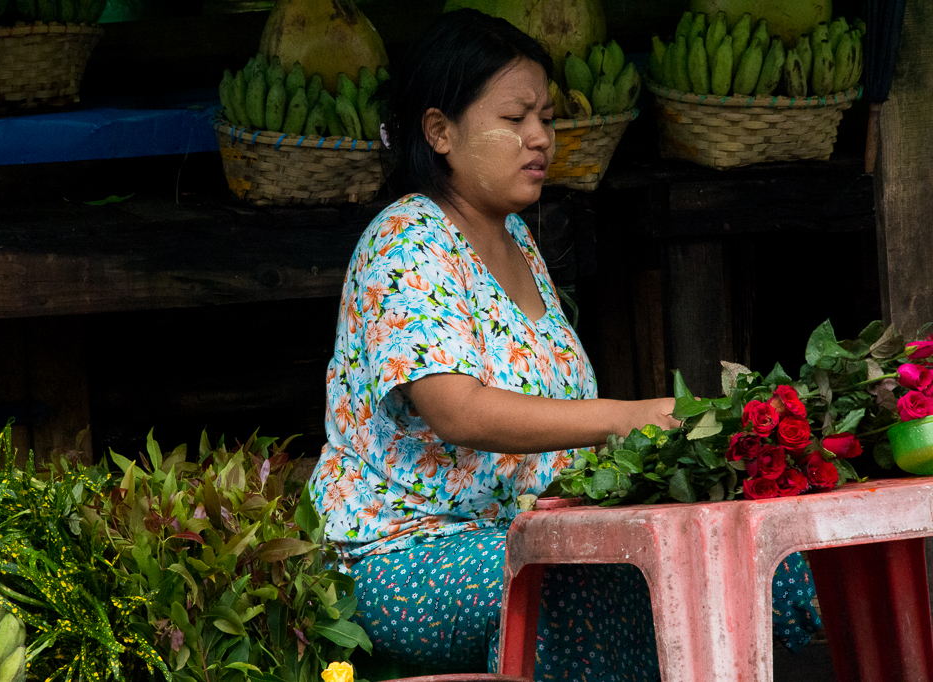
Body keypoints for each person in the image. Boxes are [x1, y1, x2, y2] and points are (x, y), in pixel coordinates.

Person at [308, 10, 821, 681]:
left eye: (545, 118)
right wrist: (624, 416)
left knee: (737, 556)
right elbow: (456, 409)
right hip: (407, 558)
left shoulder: (516, 239)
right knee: (576, 587)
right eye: (515, 118)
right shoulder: (408, 240)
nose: (540, 137)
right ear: (440, 131)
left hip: (520, 536)